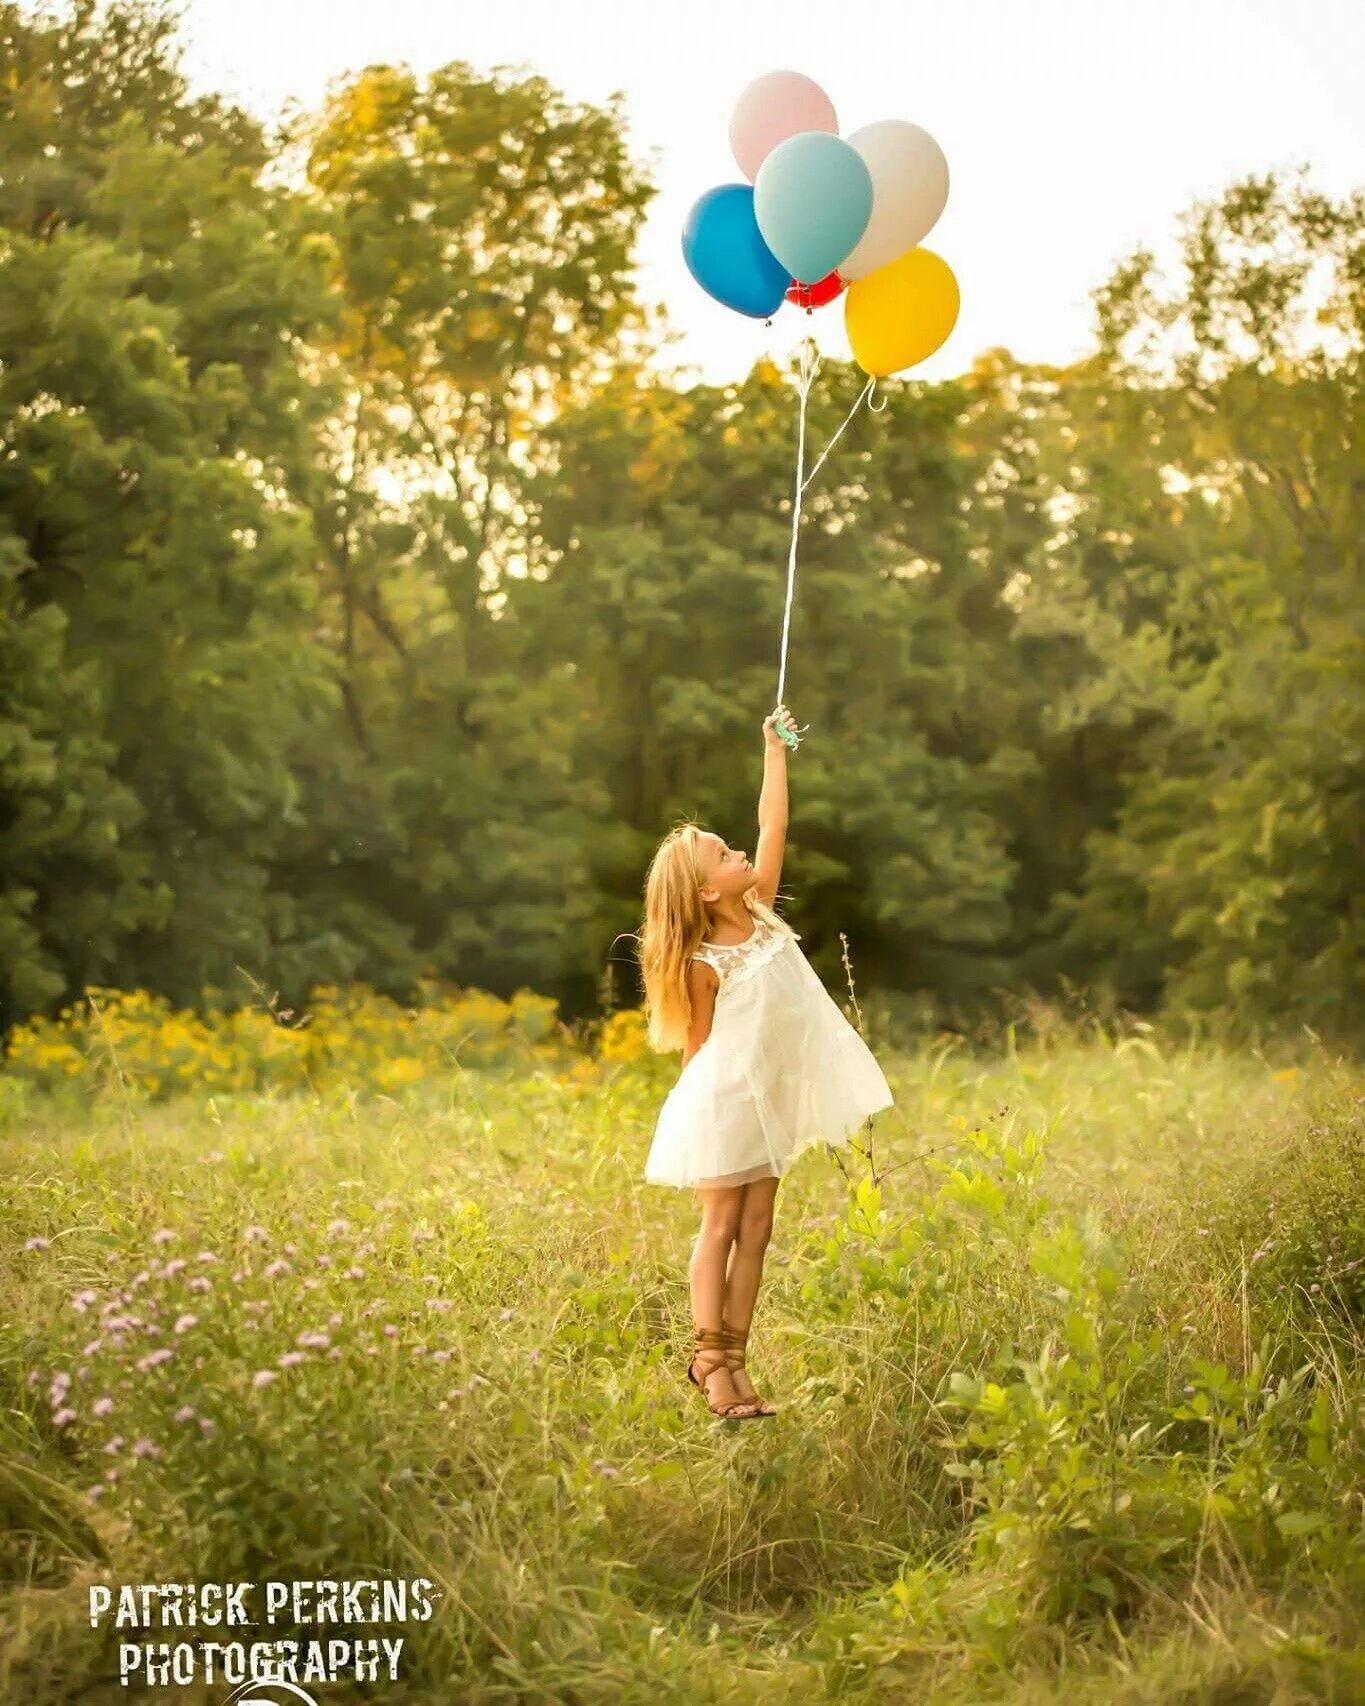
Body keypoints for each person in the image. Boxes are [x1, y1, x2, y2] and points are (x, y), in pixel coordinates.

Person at [637, 705, 895, 1420]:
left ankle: (739, 1361)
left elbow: (772, 826)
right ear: (704, 892)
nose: (738, 856)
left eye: (729, 848)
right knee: (719, 1227)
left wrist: (773, 752)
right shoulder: (702, 962)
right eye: (723, 856)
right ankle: (707, 1360)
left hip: (768, 1100)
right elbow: (697, 1049)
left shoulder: (761, 916)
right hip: (723, 1104)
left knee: (759, 1229)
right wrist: (691, 1123)